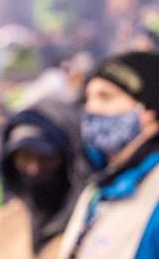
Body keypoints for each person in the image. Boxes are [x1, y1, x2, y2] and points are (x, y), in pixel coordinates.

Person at [58, 51, 159, 259]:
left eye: (106, 97)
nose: (91, 108)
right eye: (88, 98)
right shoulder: (98, 189)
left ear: (150, 116)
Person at [0, 99, 86, 259]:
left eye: (46, 158)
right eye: (24, 158)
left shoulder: (87, 225)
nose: (33, 169)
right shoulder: (4, 223)